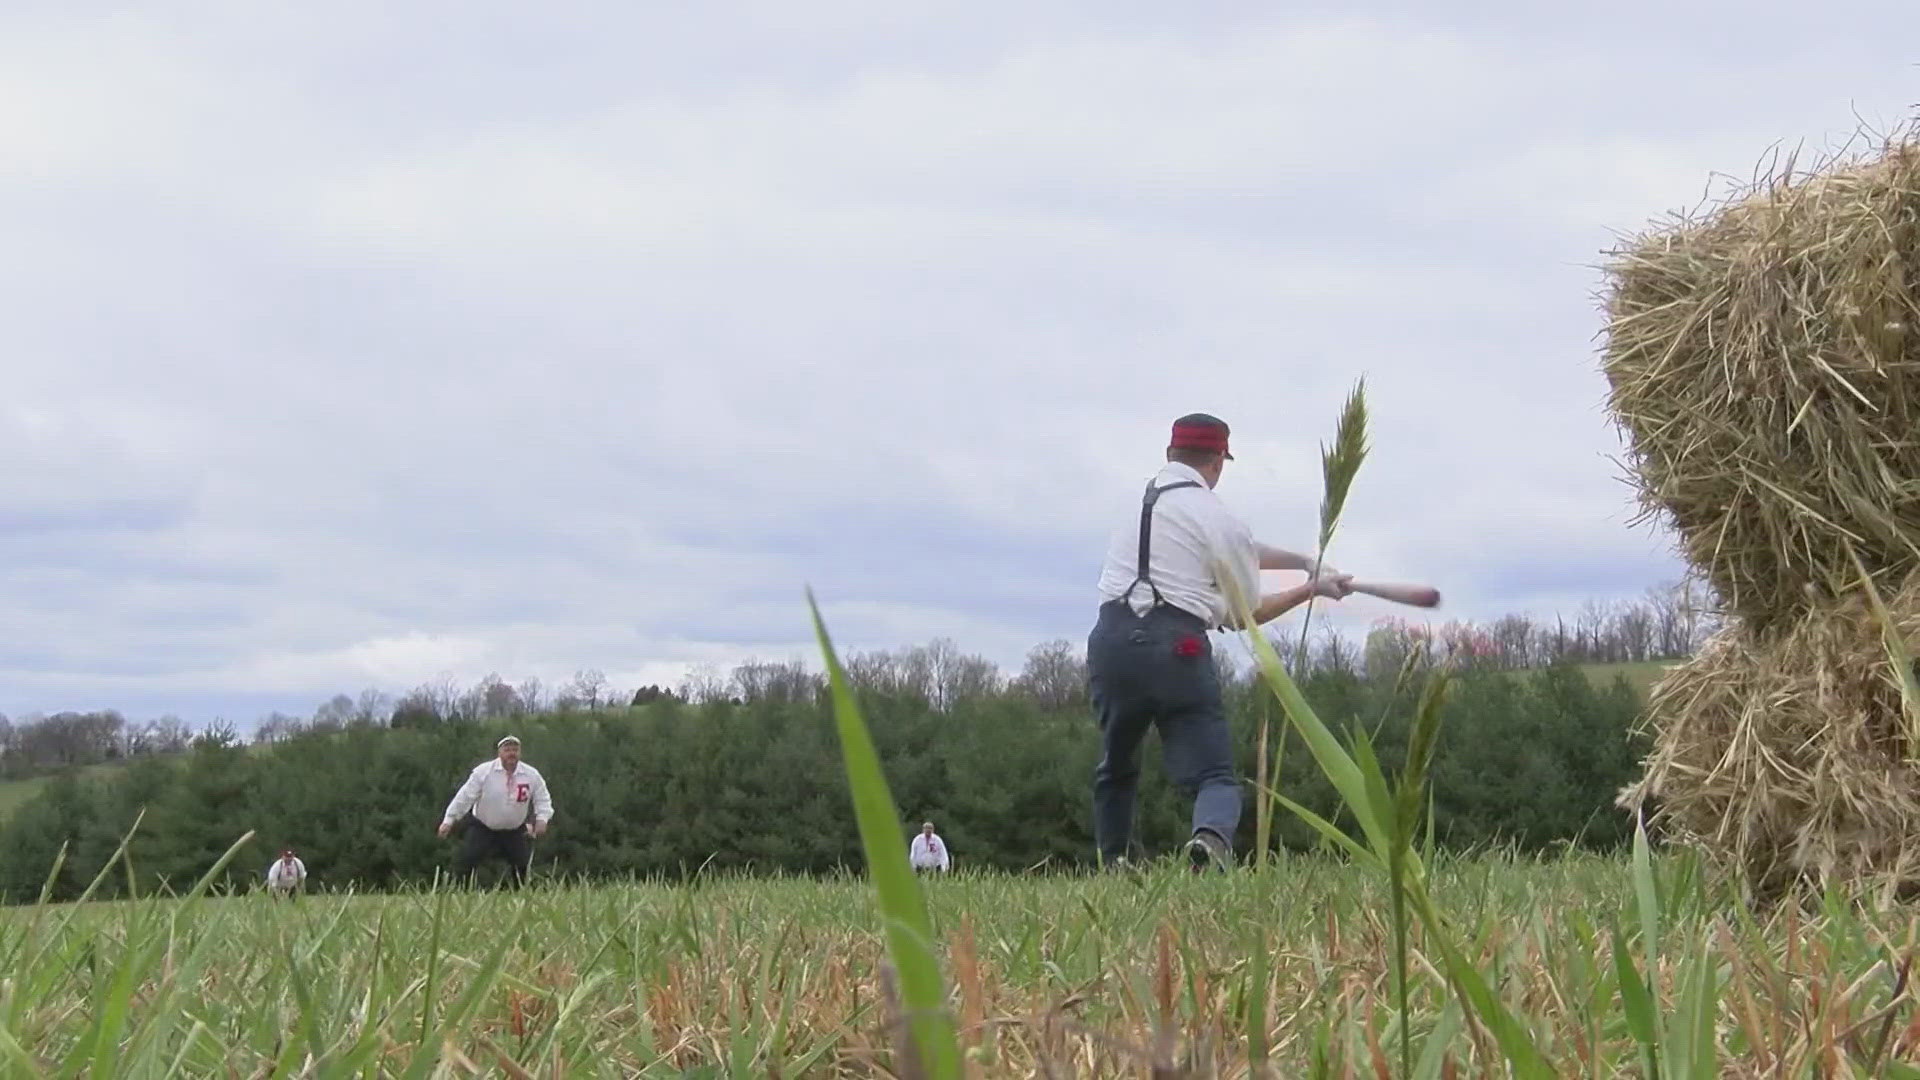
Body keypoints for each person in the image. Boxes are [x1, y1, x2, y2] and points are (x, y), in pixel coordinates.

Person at [1089, 413, 1354, 873]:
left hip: (1111, 644)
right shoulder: (1220, 519)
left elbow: (1238, 548)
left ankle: (1114, 862)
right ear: (1218, 463)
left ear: (1171, 455)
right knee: (1214, 775)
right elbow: (1247, 614)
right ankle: (1209, 840)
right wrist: (1311, 589)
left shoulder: (1137, 510)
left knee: (1117, 765)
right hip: (1177, 647)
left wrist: (1306, 560)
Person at [438, 735, 554, 888]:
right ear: (499, 753)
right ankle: (458, 893)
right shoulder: (483, 772)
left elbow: (542, 798)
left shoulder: (531, 775)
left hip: (514, 830)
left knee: (522, 866)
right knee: (467, 860)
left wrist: (542, 819)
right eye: (507, 749)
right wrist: (449, 820)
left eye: (515, 749)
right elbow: (465, 797)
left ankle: (523, 898)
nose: (511, 753)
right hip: (484, 827)